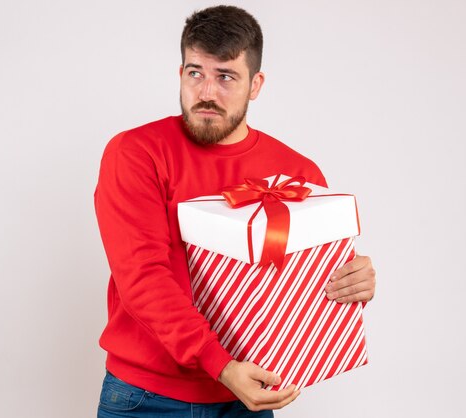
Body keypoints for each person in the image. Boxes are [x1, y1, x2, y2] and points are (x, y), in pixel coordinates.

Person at [94, 5, 376, 417]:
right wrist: (220, 365)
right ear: (180, 73)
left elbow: (300, 283)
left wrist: (352, 283)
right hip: (148, 399)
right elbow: (142, 276)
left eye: (225, 76)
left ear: (255, 84)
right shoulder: (137, 153)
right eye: (195, 73)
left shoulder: (298, 174)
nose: (206, 92)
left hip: (247, 395)